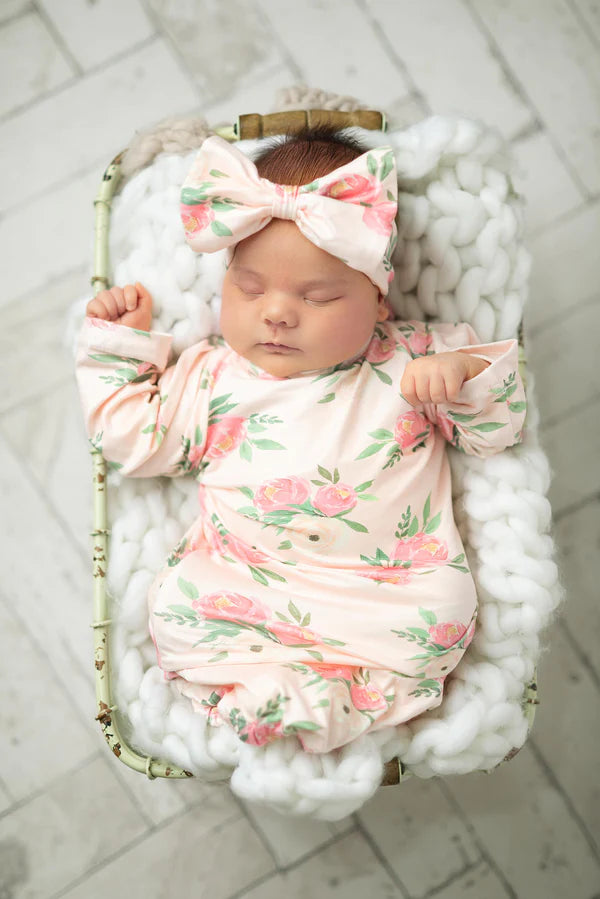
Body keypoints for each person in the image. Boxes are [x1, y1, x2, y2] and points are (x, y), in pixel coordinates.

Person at [75, 127, 527, 754]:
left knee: (442, 613)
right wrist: (120, 349)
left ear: (377, 299)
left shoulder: (415, 357)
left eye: (318, 296)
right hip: (251, 584)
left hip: (387, 593)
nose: (277, 313)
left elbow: (498, 430)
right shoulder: (211, 374)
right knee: (181, 609)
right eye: (250, 288)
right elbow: (132, 440)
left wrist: (464, 380)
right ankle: (271, 697)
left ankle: (339, 704)